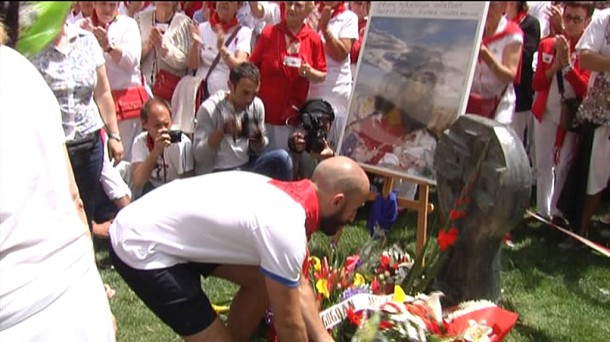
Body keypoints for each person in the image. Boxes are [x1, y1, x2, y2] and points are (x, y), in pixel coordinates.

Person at [108, 155, 370, 341]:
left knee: (261, 282)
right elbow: (289, 323)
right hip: (141, 246)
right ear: (337, 201)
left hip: (167, 232)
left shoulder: (288, 198)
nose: (353, 218)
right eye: (355, 209)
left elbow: (298, 284)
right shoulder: (285, 226)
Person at [0, 7, 115, 339]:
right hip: (76, 300)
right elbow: (73, 203)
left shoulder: (25, 69)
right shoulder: (23, 69)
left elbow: (79, 202)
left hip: (20, 313)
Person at [30, 19, 124, 231]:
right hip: (52, 145)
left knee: (85, 205)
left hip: (89, 143)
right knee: (56, 210)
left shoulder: (87, 40)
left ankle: (86, 251)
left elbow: (103, 92)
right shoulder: (31, 46)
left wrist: (115, 135)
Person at [530, 1, 593, 224]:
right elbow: (536, 84)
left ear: (587, 22)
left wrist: (567, 65)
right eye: (568, 17)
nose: (571, 23)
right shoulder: (548, 44)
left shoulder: (587, 52)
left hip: (570, 116)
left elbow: (584, 89)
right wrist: (554, 67)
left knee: (564, 163)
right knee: (543, 164)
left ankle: (556, 213)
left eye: (577, 19)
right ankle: (542, 211)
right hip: (545, 112)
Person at [559, 7, 610, 248]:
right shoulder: (603, 18)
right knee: (592, 176)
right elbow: (586, 58)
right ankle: (579, 232)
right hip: (601, 113)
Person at [192, 61, 293, 180]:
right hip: (218, 172)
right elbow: (198, 155)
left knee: (282, 158)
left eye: (254, 94)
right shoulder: (210, 109)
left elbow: (259, 148)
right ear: (230, 86)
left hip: (247, 167)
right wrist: (222, 131)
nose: (249, 99)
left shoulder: (256, 105)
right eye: (245, 93)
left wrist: (257, 138)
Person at [249, 1, 327, 151]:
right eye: (289, 3)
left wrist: (309, 72)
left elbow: (322, 75)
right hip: (264, 117)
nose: (292, 8)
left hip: (292, 120)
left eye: (298, 5)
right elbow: (251, 67)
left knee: (286, 166)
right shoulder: (269, 33)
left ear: (307, 10)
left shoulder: (313, 39)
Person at [307, 1, 359, 148]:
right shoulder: (311, 12)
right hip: (310, 95)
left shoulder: (349, 17)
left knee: (330, 153)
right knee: (308, 156)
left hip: (335, 97)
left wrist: (325, 29)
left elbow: (341, 53)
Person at [466, 1, 523, 124]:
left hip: (498, 105)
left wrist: (485, 54)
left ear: (504, 6)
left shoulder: (512, 34)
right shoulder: (472, 27)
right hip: (472, 103)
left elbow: (509, 75)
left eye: (492, 5)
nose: (487, 9)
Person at [187, 1, 253, 97]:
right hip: (200, 96)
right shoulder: (202, 28)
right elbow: (192, 65)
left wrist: (222, 49)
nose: (225, 2)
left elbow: (240, 68)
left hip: (225, 98)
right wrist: (195, 44)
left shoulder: (244, 33)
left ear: (238, 6)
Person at [131, 97, 194, 196]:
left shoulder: (180, 143)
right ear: (144, 124)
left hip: (176, 192)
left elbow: (188, 183)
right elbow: (138, 181)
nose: (163, 130)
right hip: (152, 190)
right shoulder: (140, 142)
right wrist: (155, 152)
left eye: (166, 124)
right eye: (157, 126)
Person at [136, 1, 192, 101]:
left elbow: (184, 62)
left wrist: (163, 47)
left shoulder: (184, 22)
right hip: (143, 89)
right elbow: (133, 57)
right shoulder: (140, 18)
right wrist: (149, 44)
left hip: (170, 92)